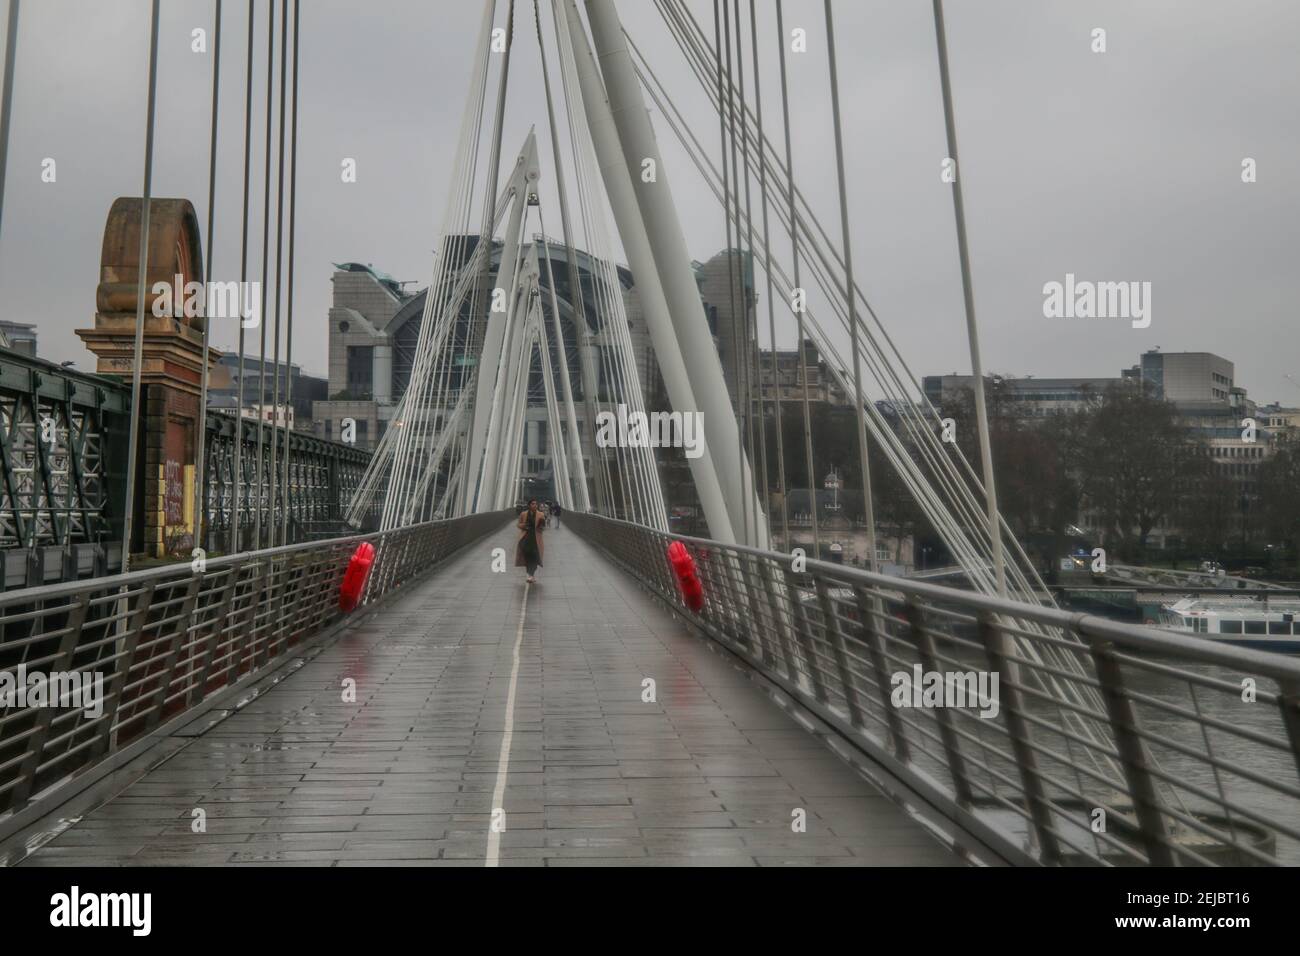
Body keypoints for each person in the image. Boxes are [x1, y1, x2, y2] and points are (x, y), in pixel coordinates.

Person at [515, 498, 546, 584]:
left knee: (536, 558)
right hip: (526, 538)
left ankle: (530, 575)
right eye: (532, 504)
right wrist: (524, 526)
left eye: (536, 504)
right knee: (528, 557)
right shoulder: (523, 514)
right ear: (529, 505)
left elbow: (543, 527)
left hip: (536, 539)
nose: (535, 505)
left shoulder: (541, 514)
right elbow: (518, 524)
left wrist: (541, 526)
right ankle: (530, 575)